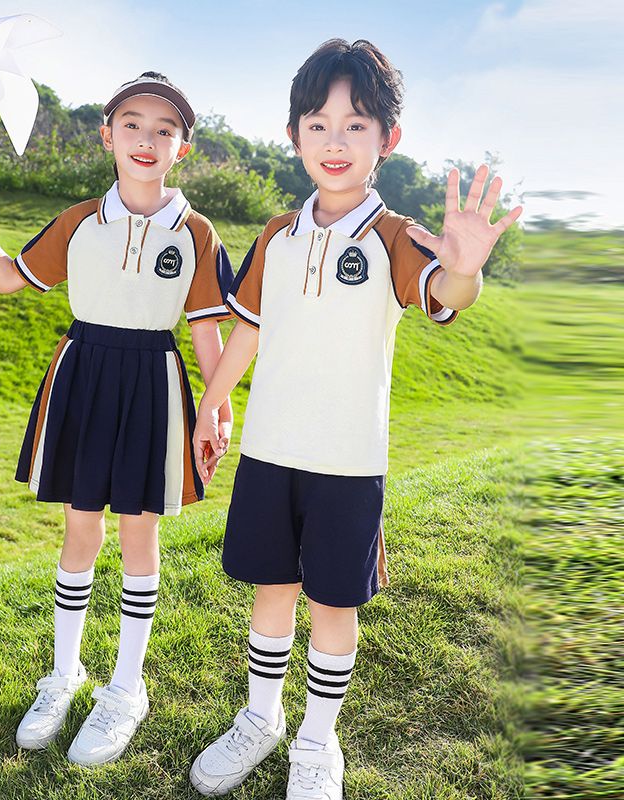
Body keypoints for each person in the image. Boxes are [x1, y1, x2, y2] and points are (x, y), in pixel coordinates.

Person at [188, 39, 522, 799]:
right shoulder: (277, 233)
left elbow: (446, 295)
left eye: (356, 124)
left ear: (387, 140)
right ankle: (261, 718)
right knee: (270, 594)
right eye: (318, 124)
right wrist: (215, 398)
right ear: (295, 136)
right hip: (272, 451)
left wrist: (465, 267)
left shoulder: (397, 236)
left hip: (347, 461)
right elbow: (249, 326)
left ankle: (316, 741)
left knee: (333, 605)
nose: (334, 142)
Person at [0, 72, 234, 767]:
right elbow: (11, 277)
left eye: (165, 130)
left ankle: (127, 687)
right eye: (132, 124)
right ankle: (65, 674)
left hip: (153, 382)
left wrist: (217, 411)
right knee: (79, 529)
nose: (147, 140)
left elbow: (206, 329)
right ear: (108, 134)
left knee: (139, 534)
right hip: (82, 371)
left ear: (182, 148)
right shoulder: (79, 219)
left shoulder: (194, 230)